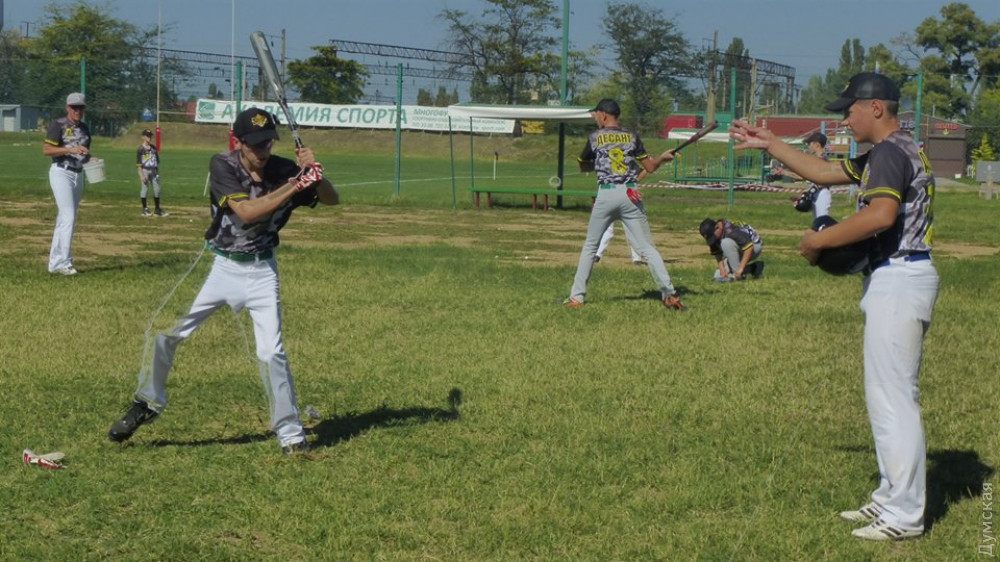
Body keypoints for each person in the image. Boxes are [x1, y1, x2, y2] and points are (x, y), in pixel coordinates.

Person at [730, 72, 938, 541]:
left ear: (876, 108)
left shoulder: (888, 153)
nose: (845, 118)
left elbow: (880, 215)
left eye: (850, 109)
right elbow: (824, 173)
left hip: (900, 277)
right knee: (884, 396)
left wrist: (818, 241)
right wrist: (771, 144)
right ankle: (890, 496)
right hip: (900, 276)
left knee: (894, 399)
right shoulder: (894, 148)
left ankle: (905, 515)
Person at [108, 107, 339, 455]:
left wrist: (316, 175)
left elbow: (332, 200)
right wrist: (296, 184)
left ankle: (291, 435)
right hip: (222, 268)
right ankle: (148, 402)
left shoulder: (283, 169)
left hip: (262, 272)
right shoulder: (223, 165)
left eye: (268, 143)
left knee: (272, 353)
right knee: (167, 334)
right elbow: (247, 213)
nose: (263, 151)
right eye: (256, 144)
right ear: (239, 141)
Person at [563, 98, 683, 310]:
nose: (595, 118)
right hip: (630, 193)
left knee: (590, 246)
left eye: (596, 114)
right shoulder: (632, 136)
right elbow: (650, 167)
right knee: (647, 248)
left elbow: (582, 165)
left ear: (603, 115)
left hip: (606, 193)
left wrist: (600, 164)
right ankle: (669, 293)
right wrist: (662, 158)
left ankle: (576, 297)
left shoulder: (595, 137)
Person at [42, 92, 92, 275]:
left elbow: (83, 154)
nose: (78, 110)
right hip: (61, 172)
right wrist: (69, 149)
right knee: (68, 216)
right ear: (67, 107)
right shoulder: (58, 124)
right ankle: (65, 262)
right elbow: (47, 150)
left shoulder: (85, 128)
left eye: (81, 107)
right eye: (74, 107)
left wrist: (91, 159)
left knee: (65, 218)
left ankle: (55, 263)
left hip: (78, 174)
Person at [775, 132, 833, 219]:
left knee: (822, 221)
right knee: (817, 221)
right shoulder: (817, 160)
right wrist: (785, 172)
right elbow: (805, 175)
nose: (808, 146)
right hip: (816, 193)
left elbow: (823, 181)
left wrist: (810, 192)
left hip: (822, 193)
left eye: (810, 143)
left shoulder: (822, 160)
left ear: (817, 145)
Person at [698, 218, 764, 281]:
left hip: (755, 246)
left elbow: (749, 248)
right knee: (718, 275)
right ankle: (755, 267)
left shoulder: (731, 230)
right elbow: (717, 252)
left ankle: (738, 275)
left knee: (726, 243)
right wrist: (722, 269)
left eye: (713, 236)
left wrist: (740, 269)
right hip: (740, 248)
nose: (713, 239)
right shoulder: (715, 233)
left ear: (717, 227)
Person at [137, 129, 167, 217]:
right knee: (145, 189)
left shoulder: (153, 148)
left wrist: (157, 173)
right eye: (147, 136)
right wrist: (141, 175)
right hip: (145, 170)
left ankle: (157, 209)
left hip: (153, 171)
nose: (149, 137)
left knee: (157, 189)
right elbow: (138, 164)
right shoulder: (141, 149)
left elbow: (156, 161)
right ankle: (145, 209)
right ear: (143, 137)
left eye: (150, 136)